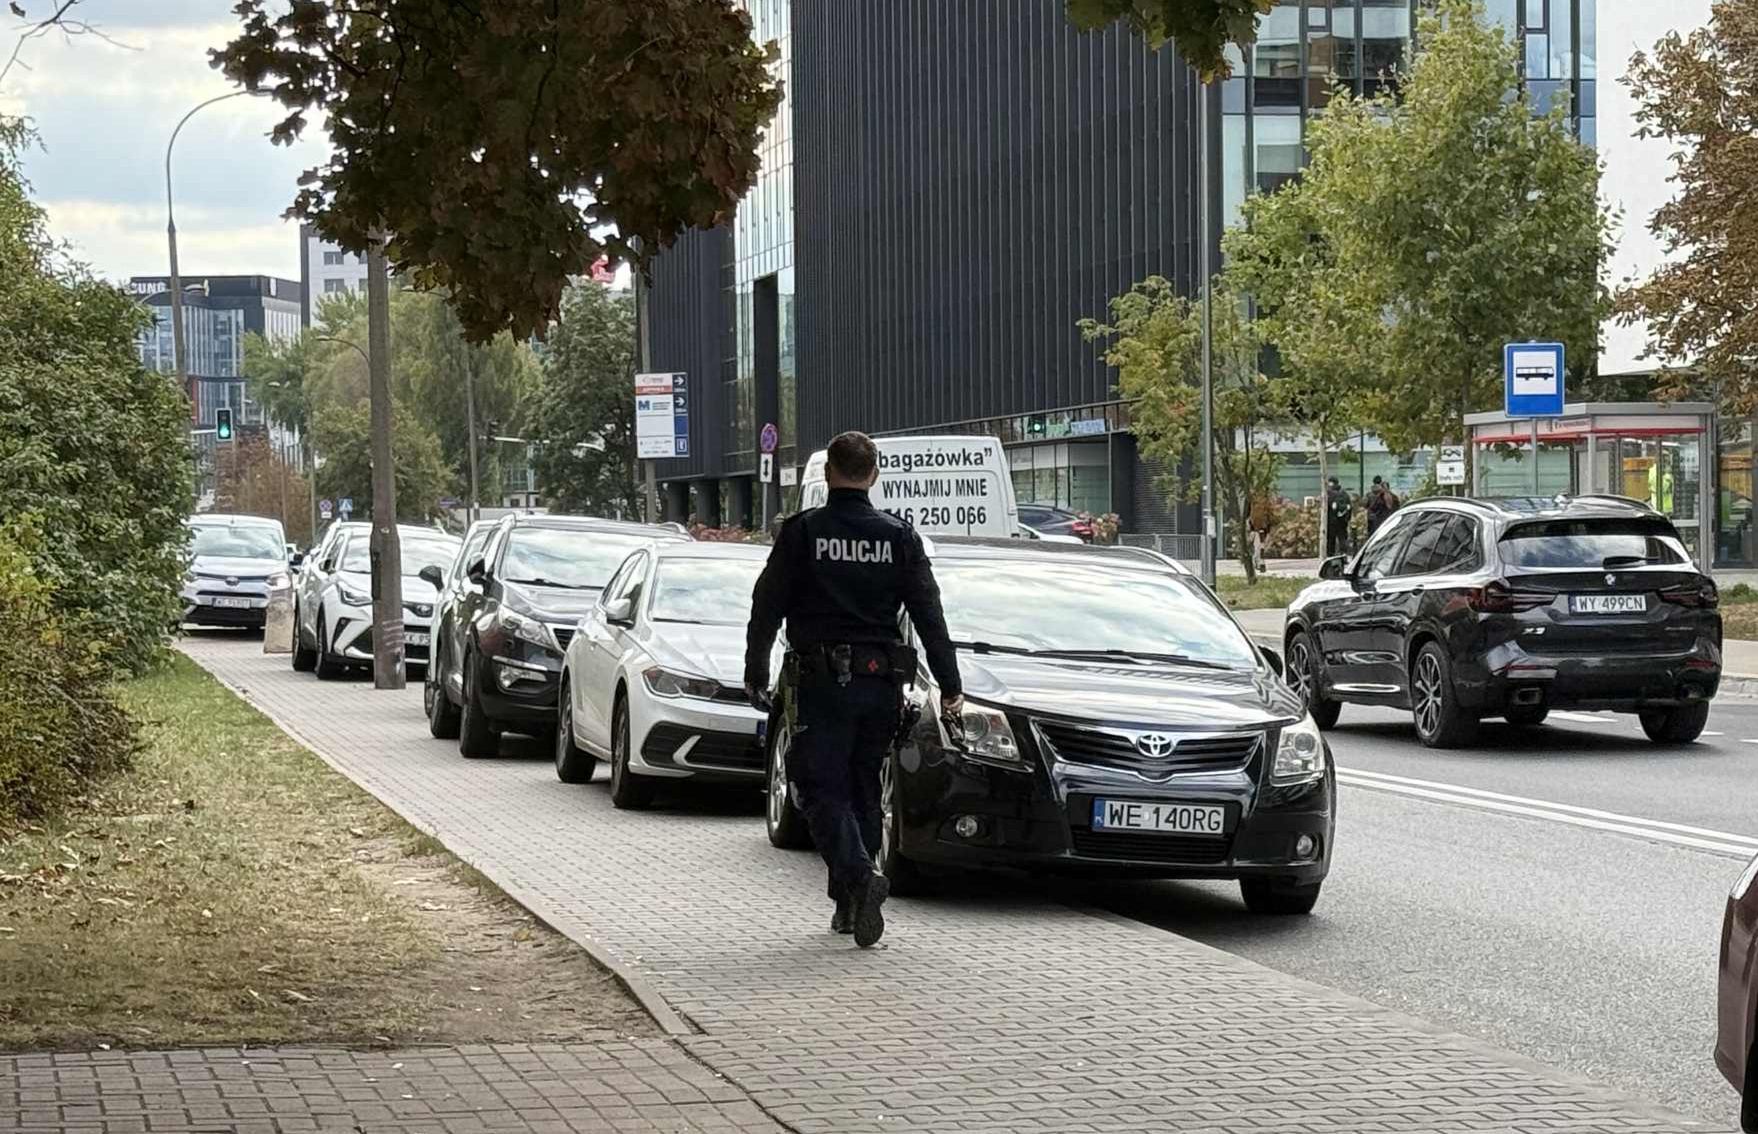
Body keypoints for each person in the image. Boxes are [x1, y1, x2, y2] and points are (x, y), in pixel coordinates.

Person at [745, 431, 963, 948]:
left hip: (821, 684)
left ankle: (860, 879)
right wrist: (950, 684)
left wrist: (755, 668)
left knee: (818, 787)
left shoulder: (803, 533)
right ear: (874, 475)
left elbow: (766, 604)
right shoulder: (899, 537)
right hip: (882, 681)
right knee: (863, 786)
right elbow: (930, 615)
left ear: (828, 474)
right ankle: (848, 908)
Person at [1324, 477, 1352, 557]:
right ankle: (1344, 555)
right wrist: (1347, 518)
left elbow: (1326, 507)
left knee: (1330, 540)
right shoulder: (1344, 494)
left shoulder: (1329, 493)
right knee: (1342, 538)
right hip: (1343, 521)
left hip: (1331, 521)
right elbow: (1349, 507)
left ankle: (1330, 555)